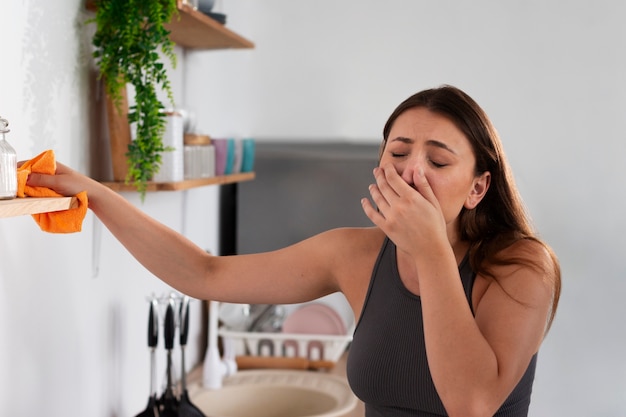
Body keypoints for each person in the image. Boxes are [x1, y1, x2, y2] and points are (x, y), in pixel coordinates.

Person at [27, 85, 560, 417]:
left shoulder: (521, 268)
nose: (411, 172)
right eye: (398, 153)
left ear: (478, 188)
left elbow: (470, 405)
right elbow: (203, 274)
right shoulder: (355, 255)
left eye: (438, 162)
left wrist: (430, 251)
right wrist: (95, 195)